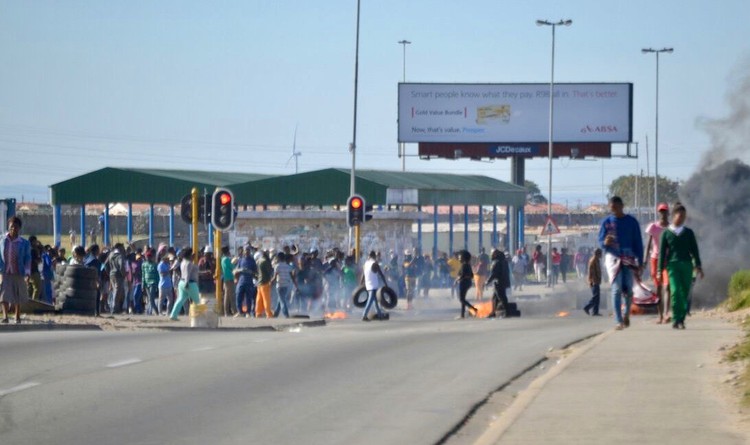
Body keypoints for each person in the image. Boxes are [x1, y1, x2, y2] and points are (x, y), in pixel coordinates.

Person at [599, 196, 644, 331]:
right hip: (612, 257)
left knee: (629, 290)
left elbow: (638, 243)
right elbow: (601, 242)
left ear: (622, 206)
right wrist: (605, 243)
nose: (615, 210)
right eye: (612, 208)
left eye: (617, 207)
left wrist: (640, 261)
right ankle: (618, 320)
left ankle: (626, 315)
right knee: (616, 288)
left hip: (629, 257)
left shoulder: (632, 222)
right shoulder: (606, 223)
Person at [658, 204, 703, 330]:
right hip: (672, 265)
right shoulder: (666, 233)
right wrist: (659, 270)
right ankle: (676, 317)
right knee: (675, 291)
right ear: (673, 216)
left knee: (684, 293)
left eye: (684, 216)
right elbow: (662, 253)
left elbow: (695, 251)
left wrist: (698, 265)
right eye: (680, 215)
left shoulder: (688, 233)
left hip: (687, 265)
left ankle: (681, 319)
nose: (682, 218)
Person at [0, 216, 32, 324]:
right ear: (9, 227)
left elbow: (27, 258)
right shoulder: (3, 241)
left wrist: (27, 273)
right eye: (11, 227)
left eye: (16, 227)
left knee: (17, 295)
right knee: (4, 294)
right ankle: (5, 316)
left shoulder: (24, 243)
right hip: (5, 271)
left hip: (19, 271)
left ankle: (17, 316)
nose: (13, 229)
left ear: (19, 228)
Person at [645, 203, 671, 324]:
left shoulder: (671, 228)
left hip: (668, 260)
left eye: (665, 211)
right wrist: (644, 260)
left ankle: (666, 314)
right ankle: (660, 315)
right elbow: (648, 245)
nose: (663, 213)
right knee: (658, 288)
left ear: (668, 213)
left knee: (667, 286)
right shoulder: (653, 227)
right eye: (661, 211)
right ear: (658, 213)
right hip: (655, 259)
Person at [169, 248, 200, 321]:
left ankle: (173, 315)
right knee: (197, 301)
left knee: (180, 299)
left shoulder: (183, 262)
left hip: (181, 282)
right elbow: (188, 274)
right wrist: (187, 283)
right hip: (190, 283)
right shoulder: (189, 263)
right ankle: (199, 317)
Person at [361, 250, 386, 321]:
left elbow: (363, 275)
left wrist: (361, 284)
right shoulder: (375, 263)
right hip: (373, 285)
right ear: (374, 256)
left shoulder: (366, 263)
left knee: (375, 300)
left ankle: (380, 314)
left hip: (368, 284)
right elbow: (381, 275)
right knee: (370, 300)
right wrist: (386, 284)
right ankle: (364, 315)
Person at [234, 245, 257, 317]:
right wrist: (240, 270)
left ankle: (248, 312)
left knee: (248, 298)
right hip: (241, 281)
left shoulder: (252, 261)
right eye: (245, 250)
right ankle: (240, 312)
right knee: (238, 296)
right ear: (243, 251)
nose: (247, 251)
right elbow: (235, 271)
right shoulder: (240, 260)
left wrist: (251, 272)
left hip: (249, 281)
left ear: (250, 251)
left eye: (248, 250)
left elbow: (256, 272)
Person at [486, 249, 510, 318]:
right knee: (494, 298)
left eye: (492, 254)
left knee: (501, 297)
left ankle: (507, 312)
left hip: (498, 282)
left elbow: (494, 274)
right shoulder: (504, 261)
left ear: (495, 254)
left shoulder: (496, 262)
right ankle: (493, 312)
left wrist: (488, 281)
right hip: (503, 282)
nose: (491, 255)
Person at [272, 252, 297, 318]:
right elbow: (292, 277)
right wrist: (296, 285)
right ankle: (275, 314)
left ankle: (286, 314)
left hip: (279, 285)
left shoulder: (277, 266)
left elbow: (274, 277)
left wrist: (270, 283)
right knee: (280, 299)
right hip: (286, 286)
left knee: (282, 300)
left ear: (279, 258)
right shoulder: (288, 266)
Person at [454, 250, 477, 319]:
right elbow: (472, 275)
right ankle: (462, 315)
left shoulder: (464, 265)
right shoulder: (468, 265)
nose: (459, 258)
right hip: (467, 283)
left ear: (464, 257)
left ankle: (474, 309)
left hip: (464, 283)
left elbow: (463, 275)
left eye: (460, 257)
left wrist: (457, 280)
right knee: (463, 299)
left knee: (461, 299)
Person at [107, 243, 127, 314]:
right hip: (118, 276)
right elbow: (121, 266)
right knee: (117, 292)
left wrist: (109, 273)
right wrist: (124, 274)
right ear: (119, 247)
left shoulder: (111, 254)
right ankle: (114, 309)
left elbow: (106, 265)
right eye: (122, 247)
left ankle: (116, 308)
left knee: (116, 292)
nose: (123, 249)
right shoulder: (120, 256)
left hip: (111, 274)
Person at [583, 248, 603, 316]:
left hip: (597, 280)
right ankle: (587, 307)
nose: (601, 255)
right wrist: (593, 281)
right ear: (597, 253)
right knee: (595, 296)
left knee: (597, 297)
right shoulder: (593, 260)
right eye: (600, 253)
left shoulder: (597, 260)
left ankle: (595, 312)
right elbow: (591, 272)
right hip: (594, 281)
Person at [255, 250, 274, 318]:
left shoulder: (259, 261)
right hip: (265, 282)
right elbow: (269, 271)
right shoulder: (265, 261)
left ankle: (258, 313)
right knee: (266, 299)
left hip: (259, 282)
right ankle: (269, 314)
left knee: (259, 299)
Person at [142, 249, 160, 315]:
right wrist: (142, 284)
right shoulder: (143, 265)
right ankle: (149, 312)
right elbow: (143, 275)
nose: (148, 257)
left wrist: (157, 284)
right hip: (146, 283)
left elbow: (157, 276)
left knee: (151, 299)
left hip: (153, 283)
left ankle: (156, 312)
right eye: (147, 256)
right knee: (149, 299)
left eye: (150, 256)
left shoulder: (155, 265)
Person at [220, 246, 237, 316]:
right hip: (229, 279)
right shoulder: (227, 259)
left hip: (225, 279)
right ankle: (234, 311)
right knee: (231, 296)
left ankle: (226, 311)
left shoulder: (222, 259)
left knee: (227, 296)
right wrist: (234, 261)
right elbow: (232, 267)